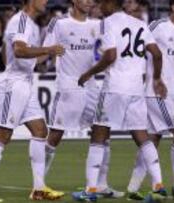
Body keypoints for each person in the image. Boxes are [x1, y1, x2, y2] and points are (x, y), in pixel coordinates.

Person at [72, 0, 168, 202]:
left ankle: (90, 191)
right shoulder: (140, 23)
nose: (99, 7)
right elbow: (157, 54)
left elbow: (110, 56)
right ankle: (158, 186)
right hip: (136, 89)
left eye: (101, 3)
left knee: (98, 135)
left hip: (114, 87)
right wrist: (157, 78)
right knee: (142, 136)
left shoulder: (108, 22)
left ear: (110, 3)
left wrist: (88, 74)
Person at [0, 0, 65, 202]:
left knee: (40, 130)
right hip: (13, 85)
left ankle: (39, 188)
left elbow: (28, 57)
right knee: (3, 134)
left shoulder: (31, 24)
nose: (46, 2)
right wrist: (48, 49)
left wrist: (55, 54)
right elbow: (19, 50)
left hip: (25, 83)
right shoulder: (21, 20)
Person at [42, 0, 123, 199]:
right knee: (55, 135)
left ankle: (101, 184)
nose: (89, 2)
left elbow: (110, 52)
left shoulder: (99, 24)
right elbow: (45, 51)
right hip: (68, 86)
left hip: (92, 86)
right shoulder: (59, 24)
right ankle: (38, 182)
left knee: (103, 132)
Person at [125, 0, 174, 201]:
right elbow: (138, 44)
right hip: (157, 93)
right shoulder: (158, 27)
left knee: (152, 141)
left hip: (172, 93)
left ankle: (133, 188)